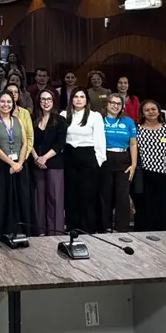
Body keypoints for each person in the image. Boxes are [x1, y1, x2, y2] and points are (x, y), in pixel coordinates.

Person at [0, 91, 31, 238]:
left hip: (19, 166)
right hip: (1, 167)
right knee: (0, 202)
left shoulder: (18, 121)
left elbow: (25, 143)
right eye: (3, 101)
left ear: (13, 104)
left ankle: (21, 233)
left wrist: (19, 163)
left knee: (21, 200)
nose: (6, 104)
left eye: (9, 102)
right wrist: (11, 163)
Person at [59, 88, 106, 233]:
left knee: (87, 195)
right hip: (69, 156)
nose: (79, 99)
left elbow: (100, 139)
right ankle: (72, 227)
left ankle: (87, 228)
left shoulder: (95, 116)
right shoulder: (63, 115)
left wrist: (98, 160)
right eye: (76, 96)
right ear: (71, 99)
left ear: (86, 100)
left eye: (82, 97)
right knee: (71, 195)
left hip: (88, 157)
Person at [135, 100, 166, 231]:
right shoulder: (137, 130)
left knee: (165, 207)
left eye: (153, 109)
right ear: (142, 113)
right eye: (147, 110)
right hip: (145, 176)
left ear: (159, 111)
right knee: (146, 208)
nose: (150, 112)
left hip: (165, 176)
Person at [30, 89, 67, 236]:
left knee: (55, 199)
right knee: (38, 199)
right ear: (39, 102)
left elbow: (60, 143)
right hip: (36, 164)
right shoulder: (33, 119)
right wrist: (36, 157)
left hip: (54, 164)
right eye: (43, 99)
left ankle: (55, 232)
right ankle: (39, 231)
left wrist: (44, 157)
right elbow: (28, 140)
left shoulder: (60, 120)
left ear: (53, 102)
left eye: (49, 99)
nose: (46, 102)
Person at [99, 93, 138, 233]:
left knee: (122, 195)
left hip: (123, 158)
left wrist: (134, 165)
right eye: (112, 103)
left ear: (122, 106)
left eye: (118, 103)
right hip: (105, 157)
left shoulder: (128, 121)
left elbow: (133, 144)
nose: (115, 106)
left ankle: (122, 227)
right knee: (105, 194)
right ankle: (104, 226)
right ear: (107, 104)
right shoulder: (99, 120)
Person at [5, 83, 35, 164]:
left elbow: (30, 136)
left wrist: (24, 156)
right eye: (10, 92)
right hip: (3, 157)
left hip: (22, 156)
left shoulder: (25, 113)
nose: (13, 94)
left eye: (16, 92)